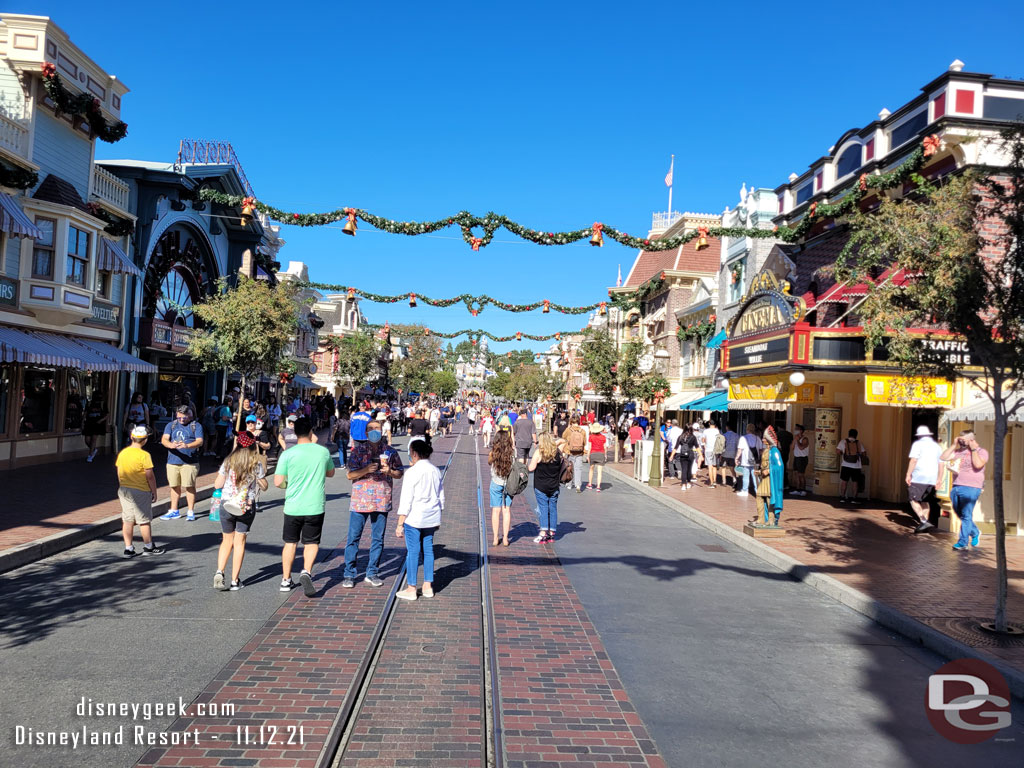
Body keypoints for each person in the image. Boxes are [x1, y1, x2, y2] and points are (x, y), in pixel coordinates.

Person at [274, 417, 336, 596]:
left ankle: (285, 579)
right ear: (311, 432)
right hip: (315, 505)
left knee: (290, 542)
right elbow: (331, 473)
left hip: (293, 505)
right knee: (311, 542)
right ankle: (306, 571)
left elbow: (278, 482)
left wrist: (289, 484)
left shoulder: (287, 454)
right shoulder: (321, 452)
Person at [342, 419, 404, 588]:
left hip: (381, 500)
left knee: (378, 538)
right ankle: (349, 573)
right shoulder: (357, 451)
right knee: (354, 537)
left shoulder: (390, 452)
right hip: (360, 501)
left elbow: (400, 473)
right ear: (366, 432)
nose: (375, 431)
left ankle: (372, 572)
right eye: (371, 429)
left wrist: (390, 471)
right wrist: (365, 470)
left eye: (377, 428)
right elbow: (350, 475)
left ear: (382, 430)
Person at [213, 431, 268, 591]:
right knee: (240, 542)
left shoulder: (228, 461)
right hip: (245, 506)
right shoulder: (255, 463)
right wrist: (258, 479)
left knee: (226, 540)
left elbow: (217, 484)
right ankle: (235, 580)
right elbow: (264, 486)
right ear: (253, 445)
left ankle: (219, 571)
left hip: (226, 504)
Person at [394, 438, 445, 601]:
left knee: (413, 551)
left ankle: (411, 587)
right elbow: (441, 497)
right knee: (428, 550)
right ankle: (428, 586)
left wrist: (400, 523)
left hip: (414, 518)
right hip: (431, 517)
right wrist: (438, 516)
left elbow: (406, 500)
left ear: (414, 454)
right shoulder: (436, 470)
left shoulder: (412, 472)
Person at [115, 425, 163, 558]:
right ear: (145, 440)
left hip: (124, 489)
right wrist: (154, 491)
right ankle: (148, 546)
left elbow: (119, 472)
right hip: (140, 490)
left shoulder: (123, 453)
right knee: (144, 520)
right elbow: (150, 476)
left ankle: (128, 548)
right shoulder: (144, 455)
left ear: (132, 437)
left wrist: (123, 485)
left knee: (128, 519)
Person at [941, 429, 989, 551]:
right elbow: (943, 457)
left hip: (972, 487)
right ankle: (975, 531)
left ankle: (962, 542)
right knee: (959, 513)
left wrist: (973, 449)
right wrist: (953, 445)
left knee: (966, 515)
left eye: (964, 440)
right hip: (956, 485)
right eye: (960, 439)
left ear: (971, 440)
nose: (961, 442)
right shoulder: (958, 451)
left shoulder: (981, 451)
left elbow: (978, 465)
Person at [159, 405, 204, 521]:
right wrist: (170, 445)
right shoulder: (171, 425)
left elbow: (199, 441)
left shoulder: (196, 426)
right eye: (179, 418)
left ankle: (190, 511)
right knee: (174, 486)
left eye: (184, 418)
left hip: (190, 461)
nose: (182, 420)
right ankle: (174, 510)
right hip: (173, 460)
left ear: (189, 415)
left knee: (189, 486)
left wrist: (187, 445)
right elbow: (164, 439)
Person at [906, 425, 942, 533]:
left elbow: (913, 460)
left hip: (919, 477)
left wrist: (908, 474)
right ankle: (924, 525)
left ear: (919, 436)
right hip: (932, 478)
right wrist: (939, 478)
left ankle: (923, 520)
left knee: (913, 499)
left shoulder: (918, 444)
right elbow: (941, 464)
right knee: (926, 501)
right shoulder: (937, 446)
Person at [529, 432, 562, 543]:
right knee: (552, 508)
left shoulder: (539, 452)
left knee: (543, 508)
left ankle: (543, 532)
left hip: (541, 486)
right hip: (554, 485)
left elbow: (531, 468)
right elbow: (563, 441)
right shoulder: (557, 452)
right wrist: (556, 443)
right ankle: (552, 532)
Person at [751, 426, 785, 526]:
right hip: (765, 479)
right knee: (760, 497)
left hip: (771, 480)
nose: (762, 439)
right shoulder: (766, 450)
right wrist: (760, 472)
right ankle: (761, 519)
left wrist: (769, 471)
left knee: (770, 499)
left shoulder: (774, 451)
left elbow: (779, 466)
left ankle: (771, 519)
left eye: (764, 438)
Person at [488, 429, 515, 546]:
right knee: (506, 510)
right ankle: (505, 539)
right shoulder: (512, 453)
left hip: (496, 482)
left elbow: (490, 463)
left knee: (495, 510)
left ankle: (495, 538)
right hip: (508, 484)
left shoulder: (493, 453)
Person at [836, 428, 868, 503]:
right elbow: (864, 453)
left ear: (848, 434)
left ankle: (842, 497)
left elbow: (837, 451)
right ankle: (854, 498)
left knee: (844, 481)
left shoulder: (843, 441)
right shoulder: (859, 442)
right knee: (855, 482)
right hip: (856, 466)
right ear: (856, 435)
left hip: (846, 465)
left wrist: (842, 453)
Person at [562, 415, 588, 494]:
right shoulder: (582, 430)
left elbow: (563, 437)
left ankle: (569, 484)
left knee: (570, 468)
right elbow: (584, 442)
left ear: (571, 422)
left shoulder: (568, 430)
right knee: (578, 469)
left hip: (570, 452)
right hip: (579, 452)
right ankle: (578, 485)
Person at [669, 426, 698, 490]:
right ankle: (688, 482)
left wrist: (671, 456)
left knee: (684, 469)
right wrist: (701, 455)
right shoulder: (693, 437)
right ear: (691, 429)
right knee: (689, 469)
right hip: (690, 454)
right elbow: (697, 446)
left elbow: (676, 447)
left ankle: (683, 484)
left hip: (682, 454)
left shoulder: (680, 437)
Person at [83, 393, 108, 462]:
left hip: (97, 424)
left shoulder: (103, 404)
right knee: (87, 440)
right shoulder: (89, 403)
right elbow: (85, 413)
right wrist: (82, 421)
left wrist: (101, 420)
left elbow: (107, 415)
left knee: (94, 439)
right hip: (89, 423)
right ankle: (93, 449)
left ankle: (90, 455)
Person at [585, 422, 607, 491]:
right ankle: (598, 486)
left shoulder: (591, 437)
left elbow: (590, 447)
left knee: (591, 469)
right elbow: (605, 447)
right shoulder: (603, 437)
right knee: (599, 471)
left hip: (593, 453)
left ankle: (590, 484)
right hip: (601, 453)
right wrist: (605, 455)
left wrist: (588, 456)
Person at [735, 425, 755, 497]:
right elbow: (761, 450)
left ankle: (745, 490)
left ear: (747, 430)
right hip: (755, 461)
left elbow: (740, 450)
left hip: (746, 460)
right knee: (755, 476)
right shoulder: (758, 438)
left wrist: (737, 458)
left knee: (746, 476)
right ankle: (757, 490)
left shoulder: (743, 438)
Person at [791, 424, 811, 495]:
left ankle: (803, 490)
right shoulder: (795, 438)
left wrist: (797, 441)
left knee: (801, 474)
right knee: (796, 474)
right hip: (796, 457)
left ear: (801, 431)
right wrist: (795, 440)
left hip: (802, 458)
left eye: (797, 429)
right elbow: (792, 447)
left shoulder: (805, 439)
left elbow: (801, 447)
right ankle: (797, 489)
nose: (795, 430)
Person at [703, 420, 722, 488]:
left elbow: (703, 440)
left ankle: (711, 483)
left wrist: (704, 445)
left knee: (710, 466)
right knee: (714, 466)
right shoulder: (717, 431)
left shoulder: (706, 431)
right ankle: (714, 481)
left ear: (709, 423)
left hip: (708, 449)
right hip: (715, 450)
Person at [721, 423, 739, 488]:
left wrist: (720, 454)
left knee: (723, 468)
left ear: (727, 427)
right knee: (732, 468)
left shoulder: (724, 435)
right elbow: (738, 445)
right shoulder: (736, 435)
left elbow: (722, 445)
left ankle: (724, 481)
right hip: (733, 454)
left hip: (725, 454)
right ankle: (734, 480)